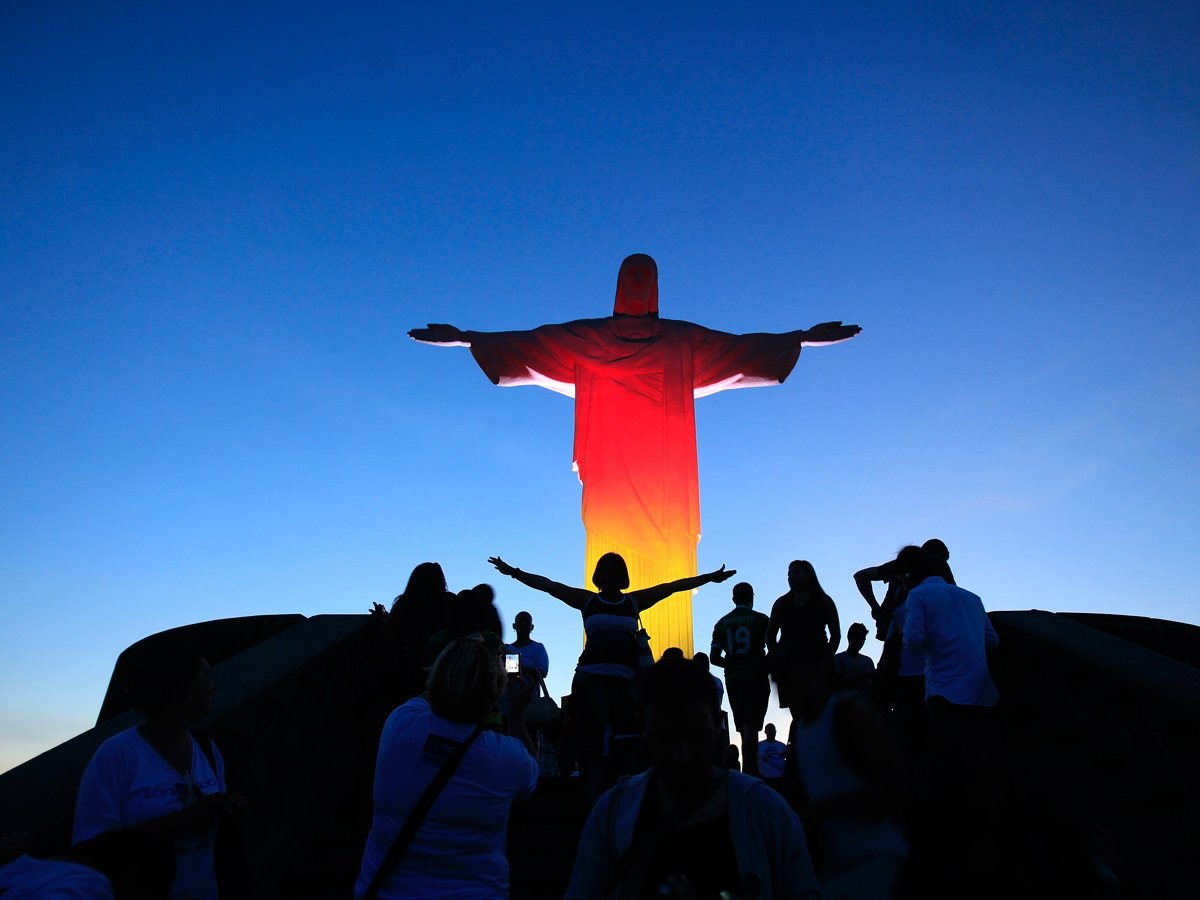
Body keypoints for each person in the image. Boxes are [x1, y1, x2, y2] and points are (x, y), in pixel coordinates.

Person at [412, 253, 861, 656]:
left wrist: (799, 338)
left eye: (647, 275)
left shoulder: (681, 340)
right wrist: (469, 338)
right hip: (610, 474)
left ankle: (670, 663)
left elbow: (741, 348)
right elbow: (532, 345)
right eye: (632, 273)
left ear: (658, 285)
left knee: (668, 567)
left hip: (665, 479)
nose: (639, 282)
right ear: (619, 282)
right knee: (610, 545)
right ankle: (615, 653)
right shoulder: (589, 338)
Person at [489, 552, 735, 805]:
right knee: (593, 746)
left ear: (622, 576)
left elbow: (672, 587)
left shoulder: (633, 602)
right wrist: (514, 572)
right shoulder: (587, 601)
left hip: (626, 683)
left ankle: (626, 802)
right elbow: (550, 586)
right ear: (597, 576)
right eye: (604, 571)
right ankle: (593, 805)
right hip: (591, 679)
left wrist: (709, 578)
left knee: (629, 743)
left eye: (613, 571)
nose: (608, 576)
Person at [565, 658, 820, 899]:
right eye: (665, 738)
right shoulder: (766, 810)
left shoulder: (612, 812)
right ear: (719, 724)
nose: (681, 753)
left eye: (695, 736)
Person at [355, 637, 539, 898]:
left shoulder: (401, 724)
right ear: (496, 692)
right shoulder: (506, 757)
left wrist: (456, 661)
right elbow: (531, 778)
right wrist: (517, 717)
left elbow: (429, 695)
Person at [72, 652, 248, 900]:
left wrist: (228, 806)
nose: (213, 685)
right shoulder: (116, 755)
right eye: (206, 677)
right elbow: (89, 849)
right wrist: (183, 820)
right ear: (182, 692)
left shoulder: (206, 748)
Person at [898, 545, 1000, 898]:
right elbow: (993, 639)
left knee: (947, 775)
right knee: (979, 774)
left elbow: (911, 639)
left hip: (944, 693)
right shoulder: (972, 598)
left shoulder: (919, 596)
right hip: (983, 695)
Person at [785, 656, 907, 900]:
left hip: (878, 862)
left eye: (787, 680)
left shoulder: (847, 716)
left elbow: (893, 790)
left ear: (811, 675)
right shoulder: (801, 729)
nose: (784, 694)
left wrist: (822, 810)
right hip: (837, 871)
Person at [711, 581, 772, 776]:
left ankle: (747, 771)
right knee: (751, 725)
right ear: (752, 597)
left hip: (734, 678)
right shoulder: (762, 620)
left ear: (733, 598)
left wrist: (731, 664)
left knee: (743, 728)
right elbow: (774, 649)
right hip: (756, 676)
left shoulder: (721, 623)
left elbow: (714, 658)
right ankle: (751, 771)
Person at [767, 560, 841, 708]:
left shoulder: (824, 601)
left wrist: (825, 661)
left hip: (817, 662)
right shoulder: (781, 604)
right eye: (788, 574)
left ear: (809, 576)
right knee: (798, 712)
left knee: (822, 709)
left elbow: (836, 635)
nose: (790, 577)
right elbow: (769, 635)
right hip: (790, 665)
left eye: (796, 572)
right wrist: (777, 658)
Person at [834, 622, 876, 696]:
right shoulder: (838, 659)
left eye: (863, 640)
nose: (861, 643)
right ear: (850, 637)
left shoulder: (868, 661)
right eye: (858, 639)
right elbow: (836, 683)